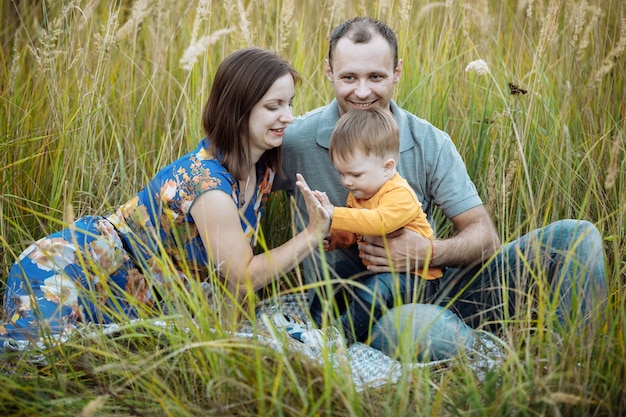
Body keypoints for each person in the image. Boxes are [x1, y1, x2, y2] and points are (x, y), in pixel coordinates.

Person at [275, 17, 608, 358]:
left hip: (434, 284)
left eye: (376, 76)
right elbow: (231, 162)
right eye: (349, 77)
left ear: (397, 72)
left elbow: (485, 238)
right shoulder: (296, 139)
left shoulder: (429, 142)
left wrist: (426, 252)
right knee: (434, 333)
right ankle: (482, 349)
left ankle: (577, 366)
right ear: (329, 72)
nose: (362, 91)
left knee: (577, 237)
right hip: (364, 309)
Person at [0, 47, 330, 355]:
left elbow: (234, 282)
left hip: (133, 299)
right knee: (38, 364)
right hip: (70, 272)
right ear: (237, 111)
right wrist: (312, 234)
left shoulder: (261, 171)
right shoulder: (206, 184)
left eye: (290, 103)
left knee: (90, 366)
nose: (288, 116)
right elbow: (245, 275)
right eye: (274, 106)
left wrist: (228, 349)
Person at [310, 107, 442, 345]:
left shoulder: (400, 195)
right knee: (333, 274)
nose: (346, 182)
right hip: (379, 270)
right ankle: (317, 327)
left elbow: (378, 223)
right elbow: (355, 230)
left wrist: (334, 213)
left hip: (418, 279)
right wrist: (334, 237)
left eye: (355, 175)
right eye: (341, 174)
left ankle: (341, 335)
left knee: (377, 289)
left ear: (388, 167)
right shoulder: (360, 194)